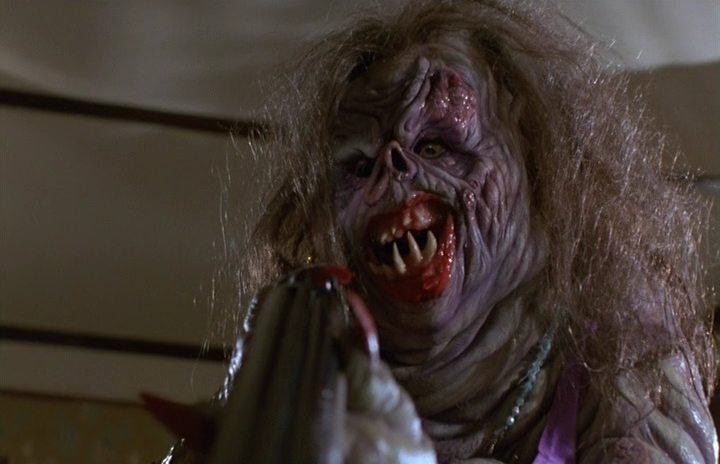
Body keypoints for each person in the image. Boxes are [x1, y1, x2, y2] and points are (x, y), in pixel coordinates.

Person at [165, 1, 718, 462]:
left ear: (534, 165)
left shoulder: (621, 336)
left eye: (435, 146)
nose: (393, 169)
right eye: (360, 165)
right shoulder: (312, 355)